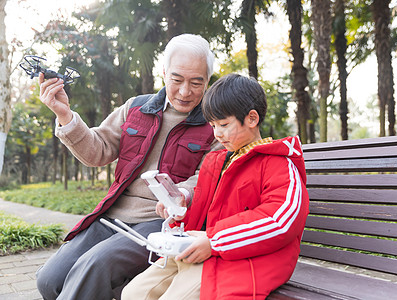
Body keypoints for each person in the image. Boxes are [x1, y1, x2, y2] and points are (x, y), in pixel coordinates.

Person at [35, 34, 220, 300]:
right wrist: (64, 114)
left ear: (207, 81)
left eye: (196, 82)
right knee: (50, 280)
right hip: (112, 216)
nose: (184, 91)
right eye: (177, 80)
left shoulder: (215, 124)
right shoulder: (136, 107)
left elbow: (207, 176)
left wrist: (182, 194)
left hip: (160, 223)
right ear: (165, 73)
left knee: (94, 267)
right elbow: (97, 150)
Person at [122, 73, 310, 300]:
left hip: (248, 258)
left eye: (223, 124)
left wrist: (214, 241)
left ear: (251, 118)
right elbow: (204, 214)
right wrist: (180, 210)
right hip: (205, 250)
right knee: (133, 293)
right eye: (212, 125)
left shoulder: (278, 163)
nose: (217, 133)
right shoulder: (217, 162)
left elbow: (280, 220)